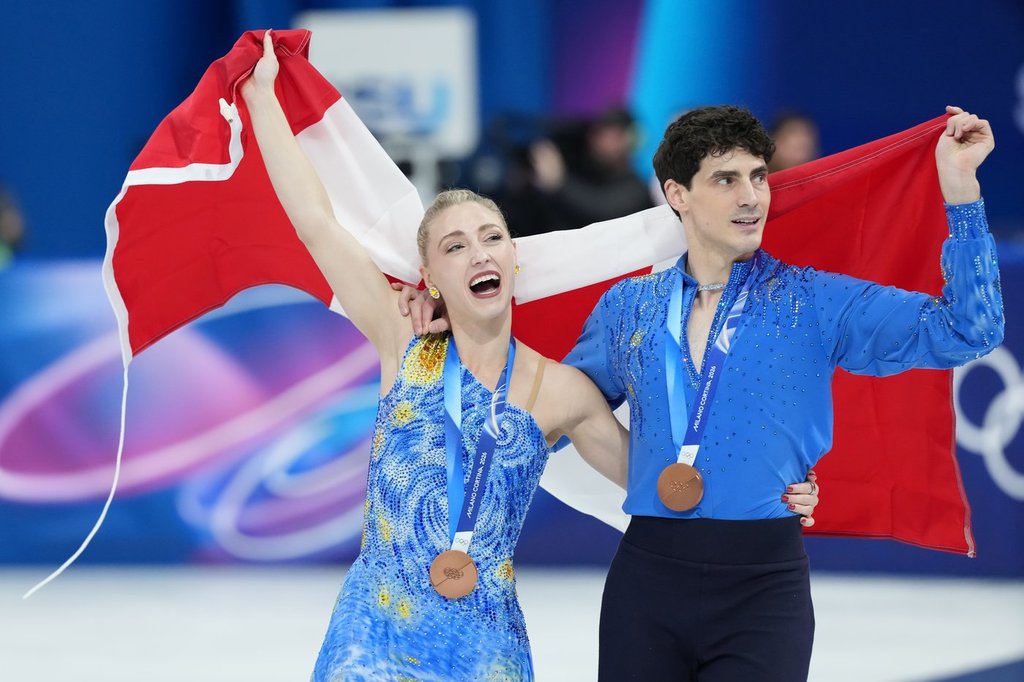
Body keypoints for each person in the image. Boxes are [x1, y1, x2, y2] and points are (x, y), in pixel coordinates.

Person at [244, 33, 818, 681]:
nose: (480, 252)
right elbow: (316, 222)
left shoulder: (561, 392)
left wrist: (779, 489)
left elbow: (667, 485)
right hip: (372, 634)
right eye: (455, 246)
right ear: (430, 275)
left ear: (516, 260)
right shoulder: (399, 340)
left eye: (492, 237)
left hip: (487, 645)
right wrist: (262, 96)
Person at [403, 104, 1001, 681]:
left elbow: (968, 330)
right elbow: (542, 415)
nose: (751, 196)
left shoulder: (815, 302)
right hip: (648, 584)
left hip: (763, 588)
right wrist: (455, 316)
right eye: (726, 179)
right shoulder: (628, 309)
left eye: (758, 176)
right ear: (677, 195)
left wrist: (961, 193)